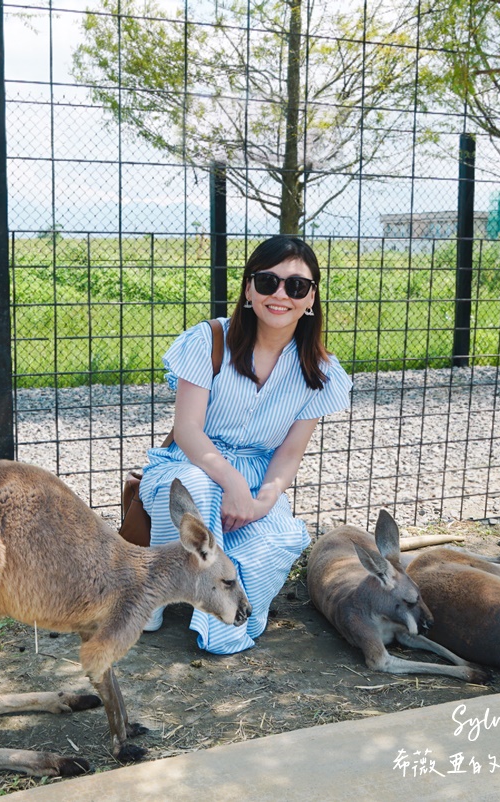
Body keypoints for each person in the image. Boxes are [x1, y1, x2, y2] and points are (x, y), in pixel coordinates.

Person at [137, 235, 352, 654]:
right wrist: (231, 481)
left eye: (296, 286)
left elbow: (289, 455)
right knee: (195, 489)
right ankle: (155, 588)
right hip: (190, 462)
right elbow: (188, 429)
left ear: (311, 299)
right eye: (268, 281)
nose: (281, 295)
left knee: (279, 540)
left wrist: (261, 502)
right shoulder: (209, 341)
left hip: (257, 478)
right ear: (249, 289)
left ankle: (222, 618)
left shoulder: (321, 371)